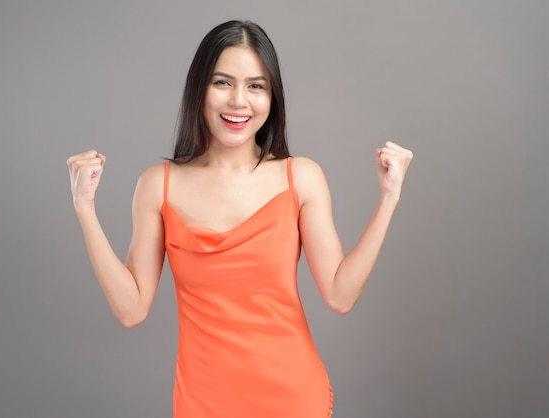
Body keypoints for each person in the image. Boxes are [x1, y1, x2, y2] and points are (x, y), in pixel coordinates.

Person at [67, 20, 412, 418]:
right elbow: (131, 310)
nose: (238, 101)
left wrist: (389, 197)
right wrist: (84, 207)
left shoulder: (300, 177)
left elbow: (340, 294)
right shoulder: (157, 186)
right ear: (199, 89)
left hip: (292, 397)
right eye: (222, 83)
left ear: (272, 97)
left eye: (255, 86)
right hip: (201, 403)